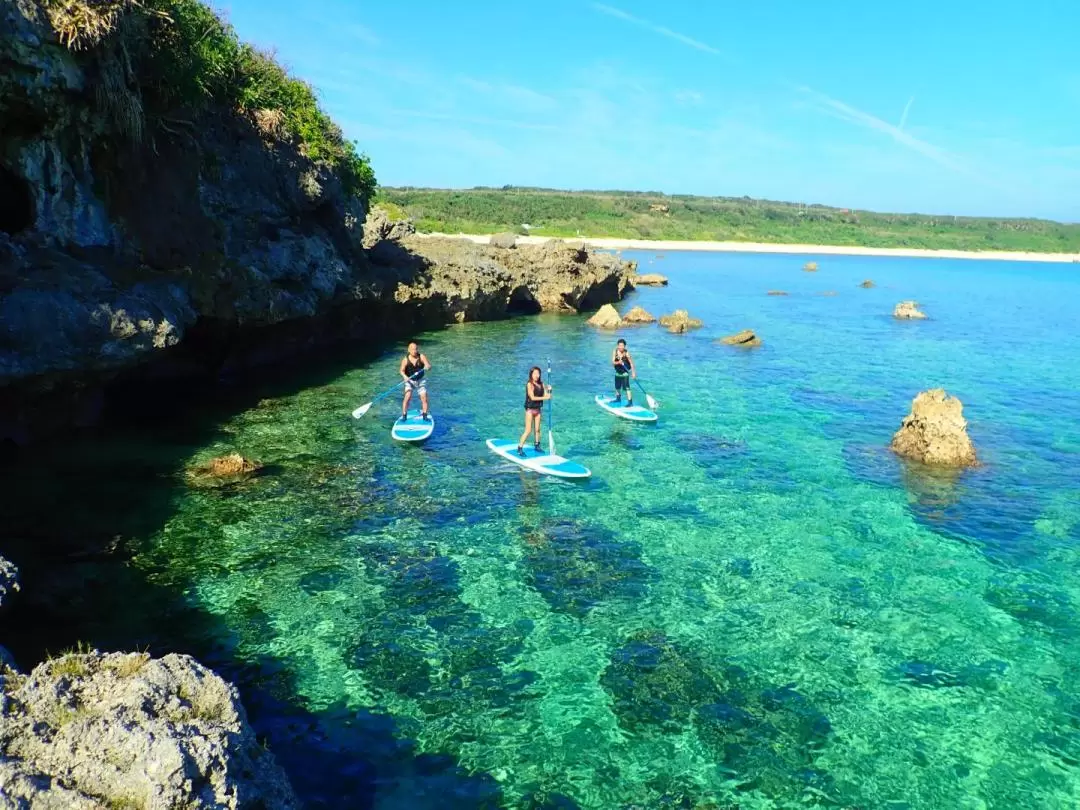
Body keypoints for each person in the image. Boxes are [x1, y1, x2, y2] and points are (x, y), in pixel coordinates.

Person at [518, 366, 552, 456]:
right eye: (535, 373)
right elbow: (532, 397)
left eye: (538, 373)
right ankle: (520, 447)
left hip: (538, 410)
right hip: (530, 410)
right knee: (528, 430)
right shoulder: (529, 384)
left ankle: (537, 445)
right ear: (531, 374)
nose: (537, 375)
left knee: (537, 430)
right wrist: (546, 397)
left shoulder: (541, 384)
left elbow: (546, 395)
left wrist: (549, 390)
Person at [399, 341, 431, 420]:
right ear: (409, 350)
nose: (415, 351)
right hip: (410, 381)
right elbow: (401, 371)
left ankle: (425, 415)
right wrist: (405, 377)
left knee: (424, 397)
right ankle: (404, 415)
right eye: (413, 349)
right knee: (407, 396)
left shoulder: (422, 356)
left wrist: (428, 366)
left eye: (416, 349)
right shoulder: (405, 360)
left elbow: (428, 365)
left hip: (420, 380)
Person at [612, 338, 636, 406]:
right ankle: (618, 399)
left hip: (625, 372)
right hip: (618, 372)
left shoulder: (627, 353)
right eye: (619, 345)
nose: (621, 347)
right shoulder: (615, 351)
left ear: (624, 346)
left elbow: (631, 363)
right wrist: (618, 362)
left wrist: (633, 373)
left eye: (622, 346)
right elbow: (612, 362)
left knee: (627, 388)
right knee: (617, 387)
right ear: (617, 346)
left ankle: (630, 402)